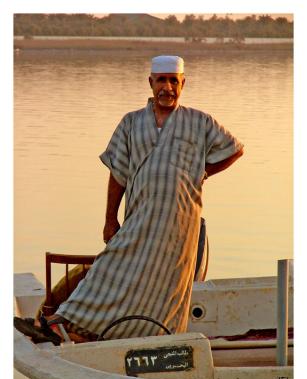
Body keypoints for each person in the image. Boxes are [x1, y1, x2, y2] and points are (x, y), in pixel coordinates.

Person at [14, 55, 244, 343]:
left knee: (164, 287)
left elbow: (234, 149)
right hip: (140, 216)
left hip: (180, 223)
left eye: (174, 81)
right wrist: (110, 219)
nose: (168, 87)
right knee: (109, 267)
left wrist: (203, 173)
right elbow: (118, 173)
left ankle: (155, 339)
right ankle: (59, 322)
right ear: (151, 82)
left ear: (183, 83)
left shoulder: (200, 121)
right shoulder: (131, 122)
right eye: (162, 80)